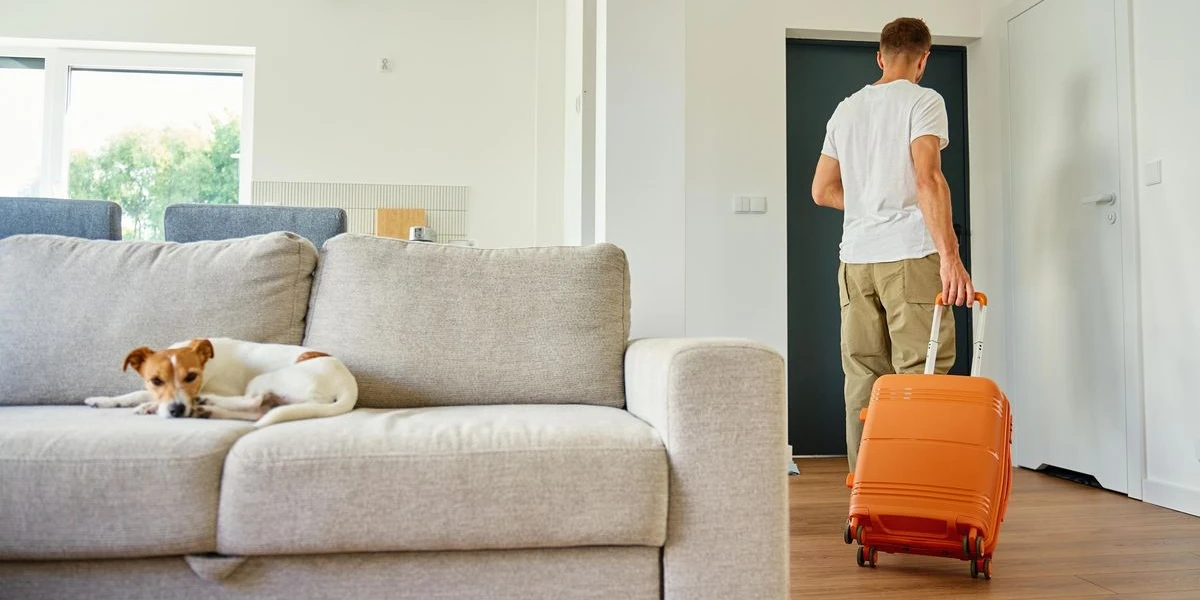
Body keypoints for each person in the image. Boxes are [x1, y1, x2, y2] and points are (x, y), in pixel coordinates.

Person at [810, 16, 975, 473]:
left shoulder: (845, 110)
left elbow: (821, 191)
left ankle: (866, 490)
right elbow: (928, 178)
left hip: (855, 261)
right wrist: (950, 257)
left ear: (880, 58)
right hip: (907, 256)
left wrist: (867, 205)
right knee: (920, 373)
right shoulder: (923, 100)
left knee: (862, 377)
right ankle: (914, 486)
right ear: (924, 60)